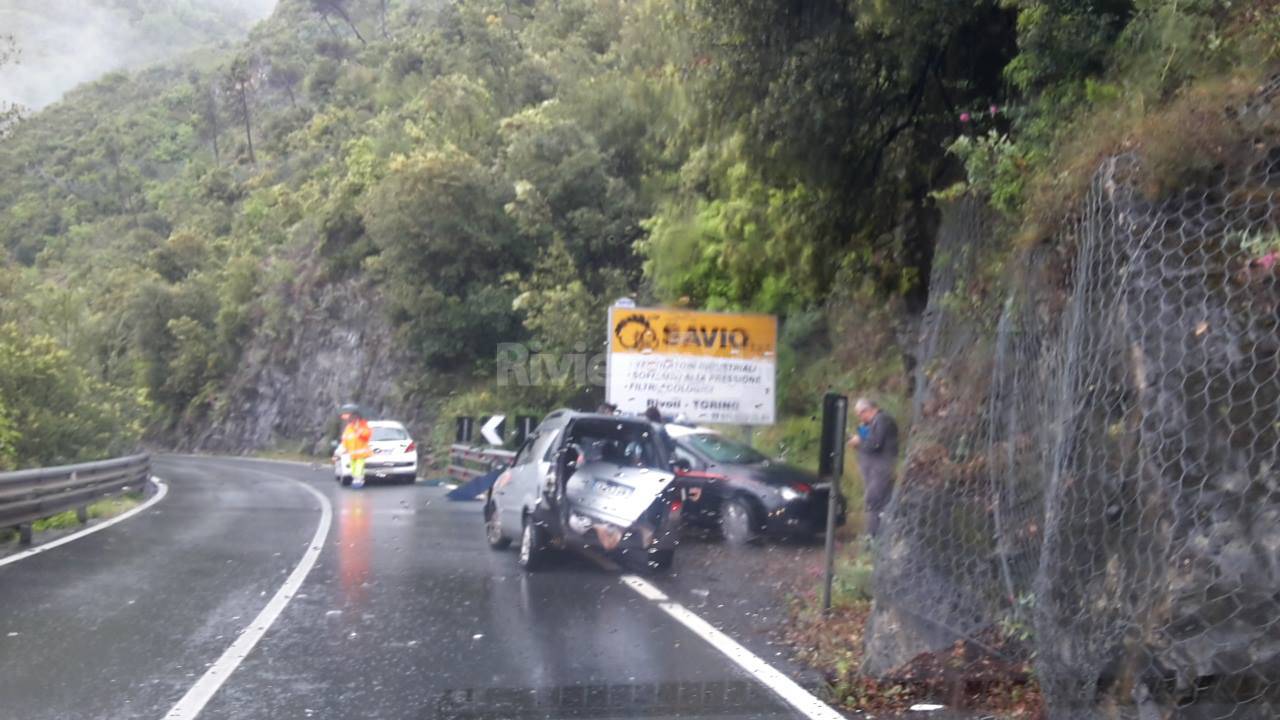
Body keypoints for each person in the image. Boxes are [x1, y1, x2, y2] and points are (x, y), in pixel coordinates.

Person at [847, 397, 898, 538]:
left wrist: (858, 441)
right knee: (880, 501)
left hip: (881, 469)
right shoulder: (873, 423)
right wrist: (861, 433)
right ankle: (883, 535)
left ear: (867, 410)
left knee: (874, 500)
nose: (860, 417)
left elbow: (875, 444)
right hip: (875, 469)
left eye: (860, 414)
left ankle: (873, 536)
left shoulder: (882, 420)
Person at [340, 404, 373, 489]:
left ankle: (358, 480)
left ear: (357, 417)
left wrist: (358, 431)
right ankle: (357, 479)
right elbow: (345, 438)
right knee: (354, 468)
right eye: (351, 418)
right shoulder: (349, 427)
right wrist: (344, 448)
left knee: (359, 466)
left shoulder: (363, 425)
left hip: (361, 452)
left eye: (353, 417)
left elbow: (367, 435)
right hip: (352, 453)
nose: (352, 419)